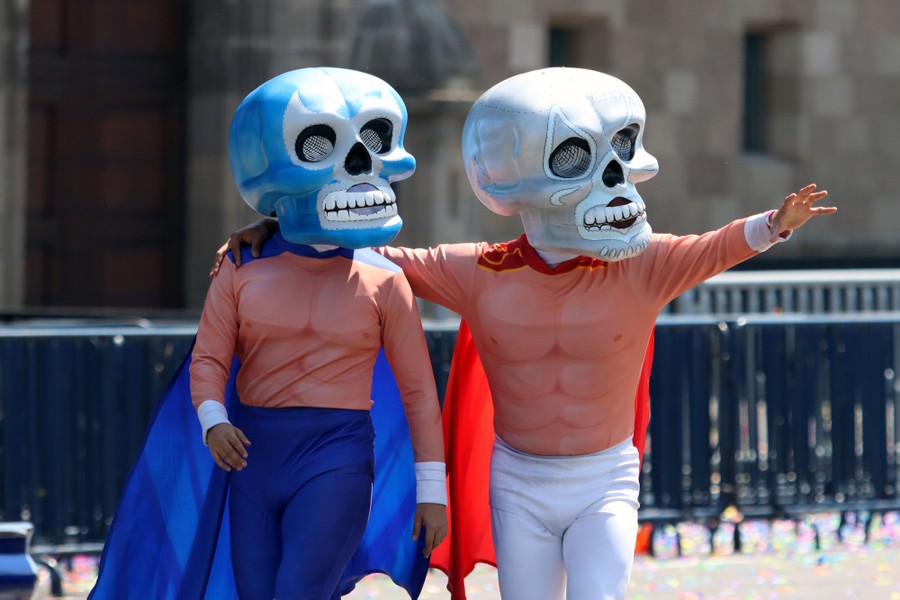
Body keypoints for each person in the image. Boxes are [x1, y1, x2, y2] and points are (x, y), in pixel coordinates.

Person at [211, 67, 836, 600]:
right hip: (519, 479)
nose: (615, 180)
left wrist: (775, 224)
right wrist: (273, 227)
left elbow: (714, 248)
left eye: (620, 154)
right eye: (576, 160)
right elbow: (371, 252)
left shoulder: (646, 266)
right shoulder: (479, 271)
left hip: (606, 477)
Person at [92, 67, 447, 600]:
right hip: (253, 454)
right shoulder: (239, 267)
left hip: (338, 454)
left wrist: (433, 491)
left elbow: (419, 391)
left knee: (299, 591)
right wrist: (213, 421)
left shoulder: (386, 280)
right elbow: (208, 359)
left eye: (374, 142)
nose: (356, 165)